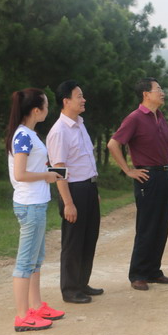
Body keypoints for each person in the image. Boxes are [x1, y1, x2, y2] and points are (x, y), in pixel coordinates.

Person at [107, 77, 168, 291]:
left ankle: (153, 271)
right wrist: (128, 170)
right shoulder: (134, 118)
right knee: (147, 226)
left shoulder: (159, 117)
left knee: (161, 225)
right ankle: (138, 274)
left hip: (165, 175)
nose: (162, 92)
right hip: (147, 177)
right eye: (158, 89)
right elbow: (113, 144)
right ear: (146, 94)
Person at [5, 88, 66, 332]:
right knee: (25, 261)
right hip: (29, 204)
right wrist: (47, 176)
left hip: (36, 203)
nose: (48, 110)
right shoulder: (23, 136)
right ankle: (22, 316)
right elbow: (20, 174)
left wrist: (46, 172)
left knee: (36, 260)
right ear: (36, 110)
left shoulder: (29, 134)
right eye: (46, 106)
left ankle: (36, 306)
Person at [46, 81, 103, 304]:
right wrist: (68, 203)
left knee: (89, 238)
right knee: (73, 242)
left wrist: (93, 189)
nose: (83, 99)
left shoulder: (80, 125)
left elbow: (84, 160)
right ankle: (70, 289)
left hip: (88, 187)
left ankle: (82, 283)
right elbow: (58, 170)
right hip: (73, 190)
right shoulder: (59, 131)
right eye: (79, 96)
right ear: (66, 101)